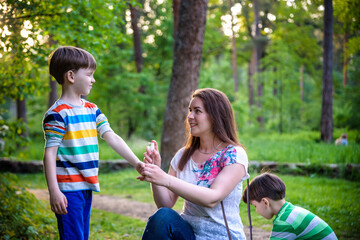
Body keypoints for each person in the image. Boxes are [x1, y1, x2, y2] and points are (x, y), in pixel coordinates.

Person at [42, 46, 144, 240]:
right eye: (89, 75)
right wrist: (54, 192)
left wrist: (136, 163)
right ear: (71, 76)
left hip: (86, 187)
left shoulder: (92, 109)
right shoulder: (57, 114)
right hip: (68, 190)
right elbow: (49, 154)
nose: (93, 80)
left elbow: (111, 136)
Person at [138, 88, 250, 240]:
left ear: (216, 116)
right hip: (189, 235)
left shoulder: (233, 154)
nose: (190, 116)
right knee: (163, 216)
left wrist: (166, 179)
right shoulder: (182, 156)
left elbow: (212, 198)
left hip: (223, 236)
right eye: (190, 110)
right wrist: (155, 173)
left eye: (197, 111)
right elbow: (166, 203)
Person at [242, 173, 337, 240]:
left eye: (255, 206)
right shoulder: (291, 211)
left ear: (265, 202)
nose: (257, 211)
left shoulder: (284, 222)